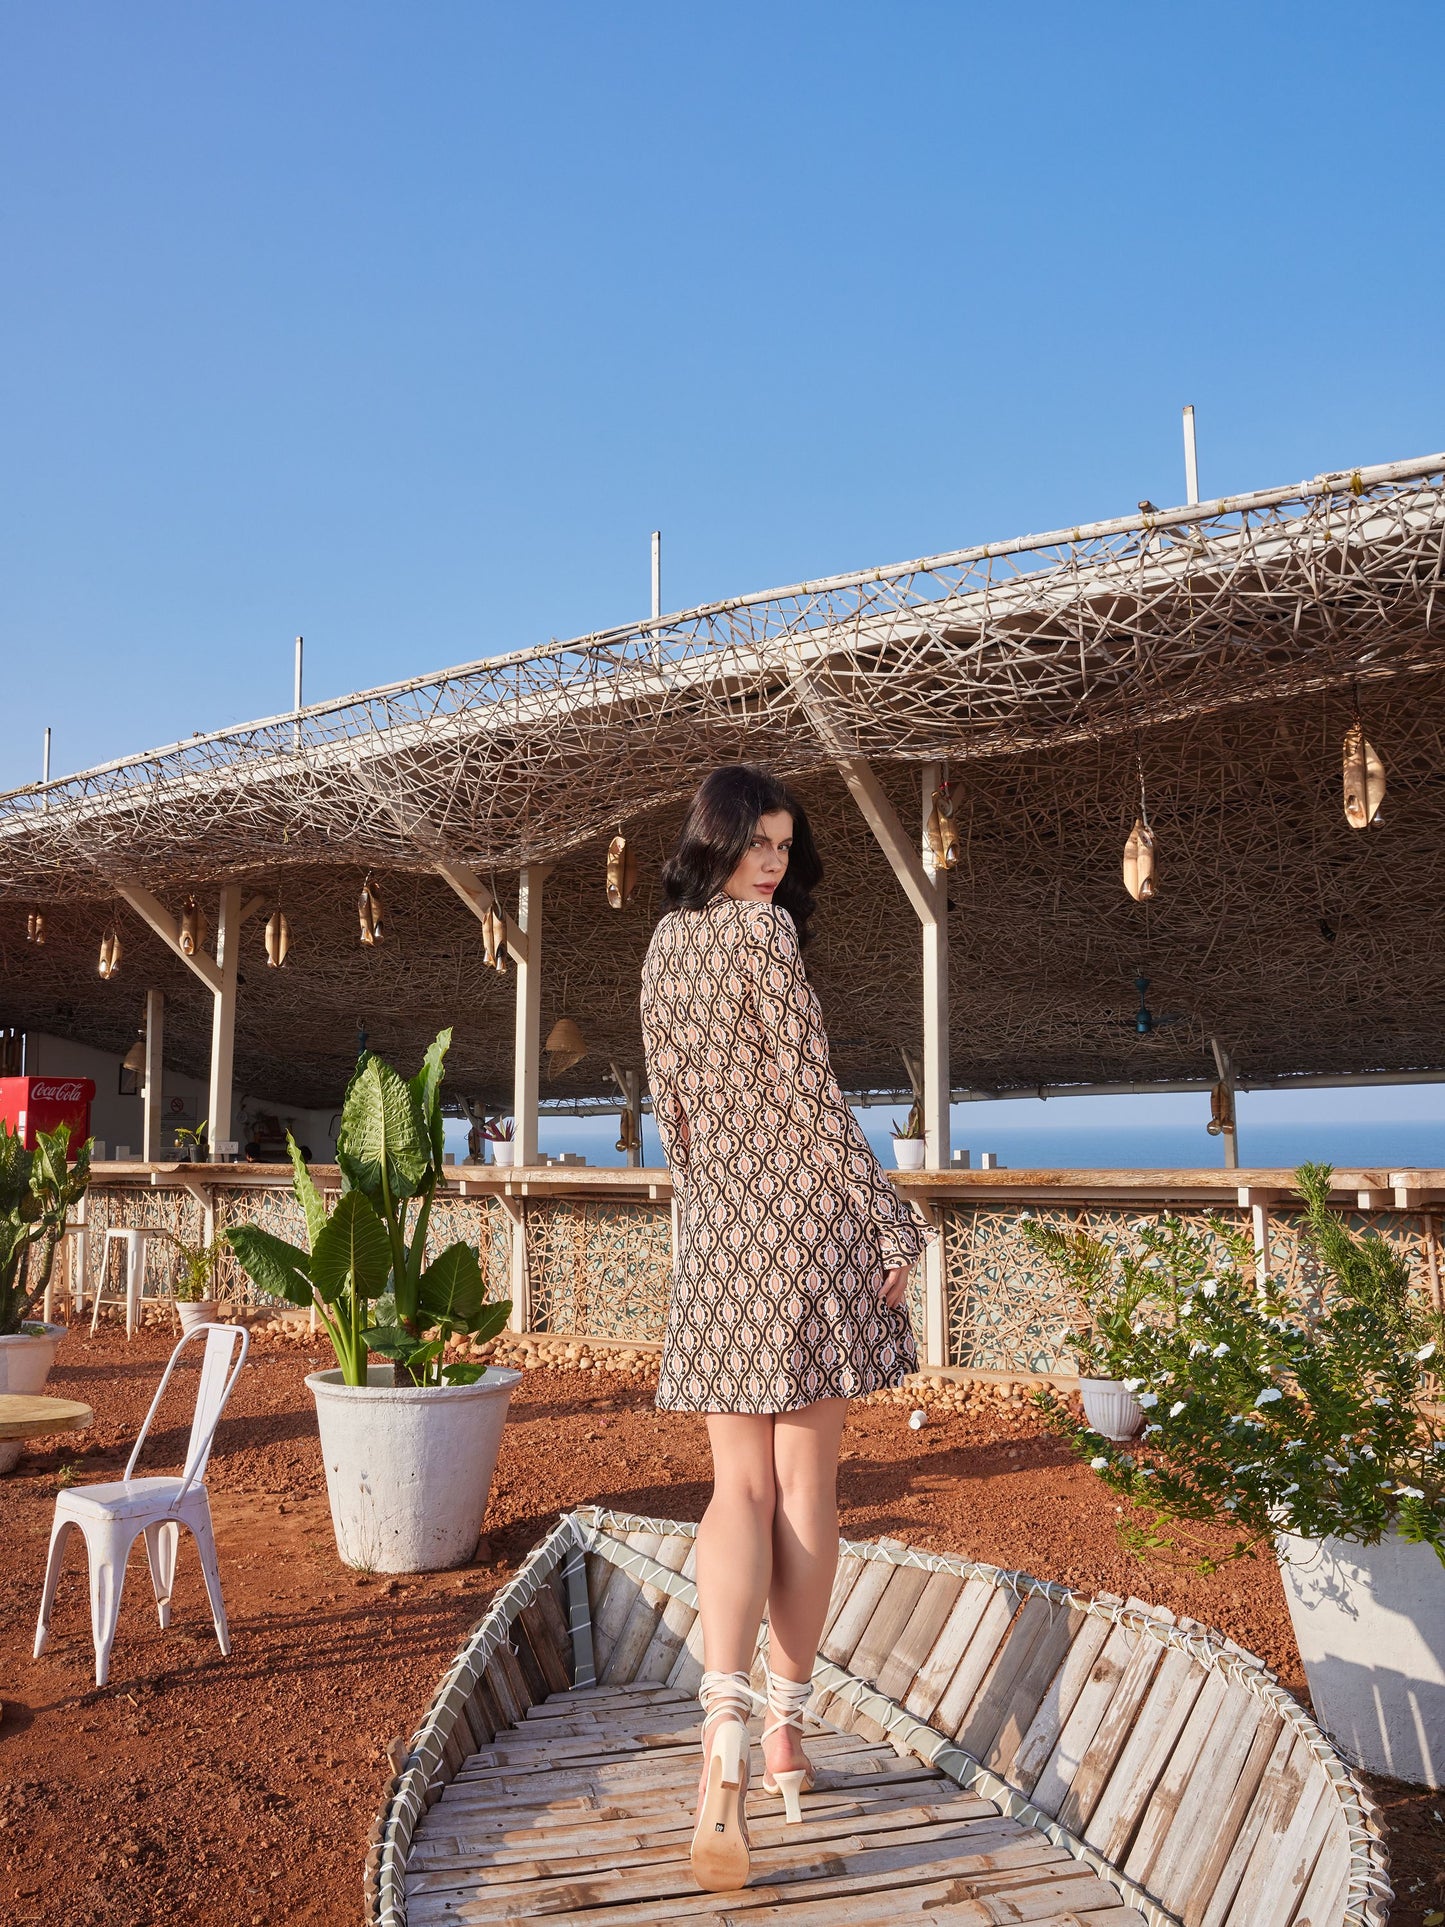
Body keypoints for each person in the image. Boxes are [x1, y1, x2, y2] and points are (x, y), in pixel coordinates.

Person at [640, 763, 930, 1891]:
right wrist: (887, 1218)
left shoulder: (663, 948)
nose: (770, 863)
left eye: (781, 845)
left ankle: (718, 1731)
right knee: (805, 1491)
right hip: (802, 1227)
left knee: (734, 1491)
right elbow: (811, 1095)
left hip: (715, 1232)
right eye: (755, 843)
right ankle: (781, 1734)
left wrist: (714, 1201)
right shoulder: (762, 940)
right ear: (717, 844)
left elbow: (673, 1109)